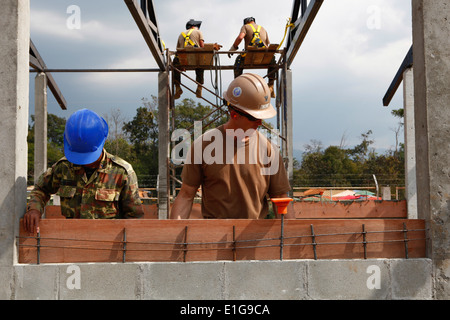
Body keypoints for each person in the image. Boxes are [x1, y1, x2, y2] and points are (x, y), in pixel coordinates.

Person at [170, 73, 294, 220]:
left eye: (262, 117)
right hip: (214, 238)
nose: (260, 123)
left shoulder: (269, 150)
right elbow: (186, 194)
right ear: (235, 114)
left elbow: (280, 197)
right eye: (254, 117)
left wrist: (289, 237)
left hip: (255, 239)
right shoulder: (203, 145)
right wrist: (174, 235)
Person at [23, 109, 144, 234]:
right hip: (71, 242)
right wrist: (34, 209)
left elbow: (134, 218)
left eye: (88, 156)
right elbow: (41, 189)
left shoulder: (122, 173)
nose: (83, 161)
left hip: (108, 245)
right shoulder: (64, 167)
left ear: (103, 142)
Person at [228, 17, 278, 98]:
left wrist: (234, 47)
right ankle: (271, 85)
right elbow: (267, 44)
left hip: (250, 56)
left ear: (246, 23)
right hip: (265, 57)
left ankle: (237, 85)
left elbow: (240, 37)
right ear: (254, 22)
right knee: (272, 61)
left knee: (238, 61)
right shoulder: (262, 28)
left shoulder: (245, 27)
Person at [173, 19, 205, 100]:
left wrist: (182, 64)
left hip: (183, 59)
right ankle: (199, 86)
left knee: (174, 66)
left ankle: (177, 87)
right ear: (193, 26)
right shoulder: (198, 32)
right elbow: (202, 46)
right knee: (200, 64)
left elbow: (178, 49)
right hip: (195, 57)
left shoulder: (181, 34)